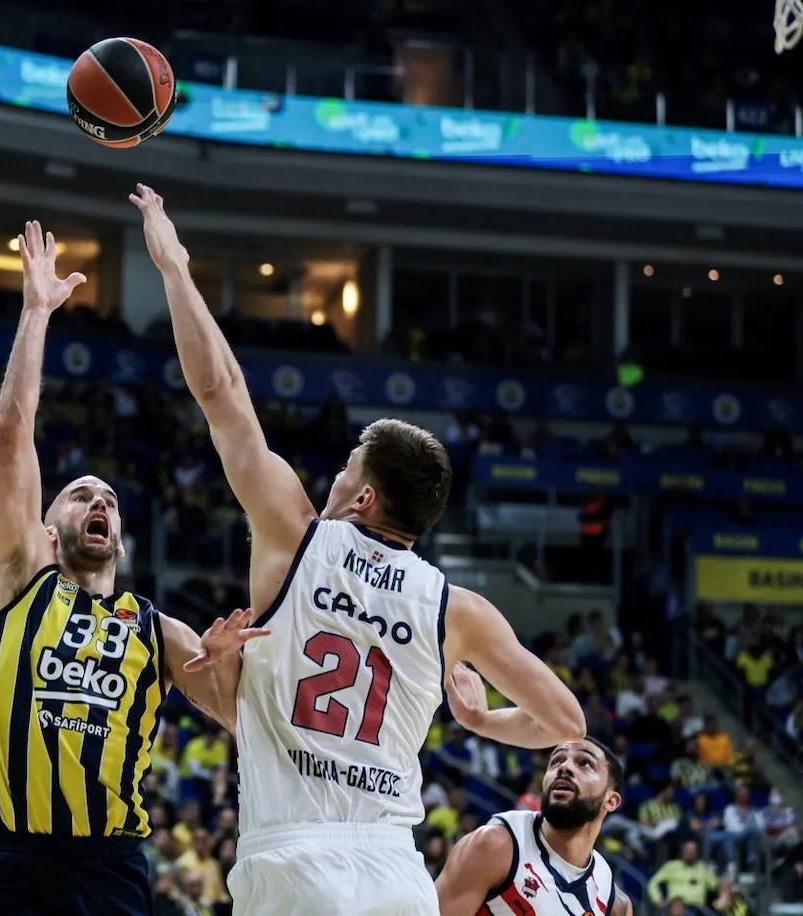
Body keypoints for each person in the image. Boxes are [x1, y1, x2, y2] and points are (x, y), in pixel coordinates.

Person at [128, 183, 585, 916]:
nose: (335, 479)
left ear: (365, 496)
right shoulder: (458, 610)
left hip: (294, 863)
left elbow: (220, 390)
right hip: (397, 874)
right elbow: (566, 723)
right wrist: (480, 721)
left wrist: (175, 267)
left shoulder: (295, 533)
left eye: (346, 469)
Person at [0, 221, 257, 915]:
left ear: (119, 541)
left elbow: (242, 721)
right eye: (80, 495)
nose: (99, 502)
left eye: (110, 501)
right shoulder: (20, 579)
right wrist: (36, 311)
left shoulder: (158, 629)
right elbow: (12, 434)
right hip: (10, 861)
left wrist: (224, 669)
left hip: (109, 866)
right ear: (47, 531)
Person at [434, 738, 634, 914]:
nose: (564, 767)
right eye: (556, 761)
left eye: (584, 763)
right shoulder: (495, 845)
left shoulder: (614, 904)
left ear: (611, 801)